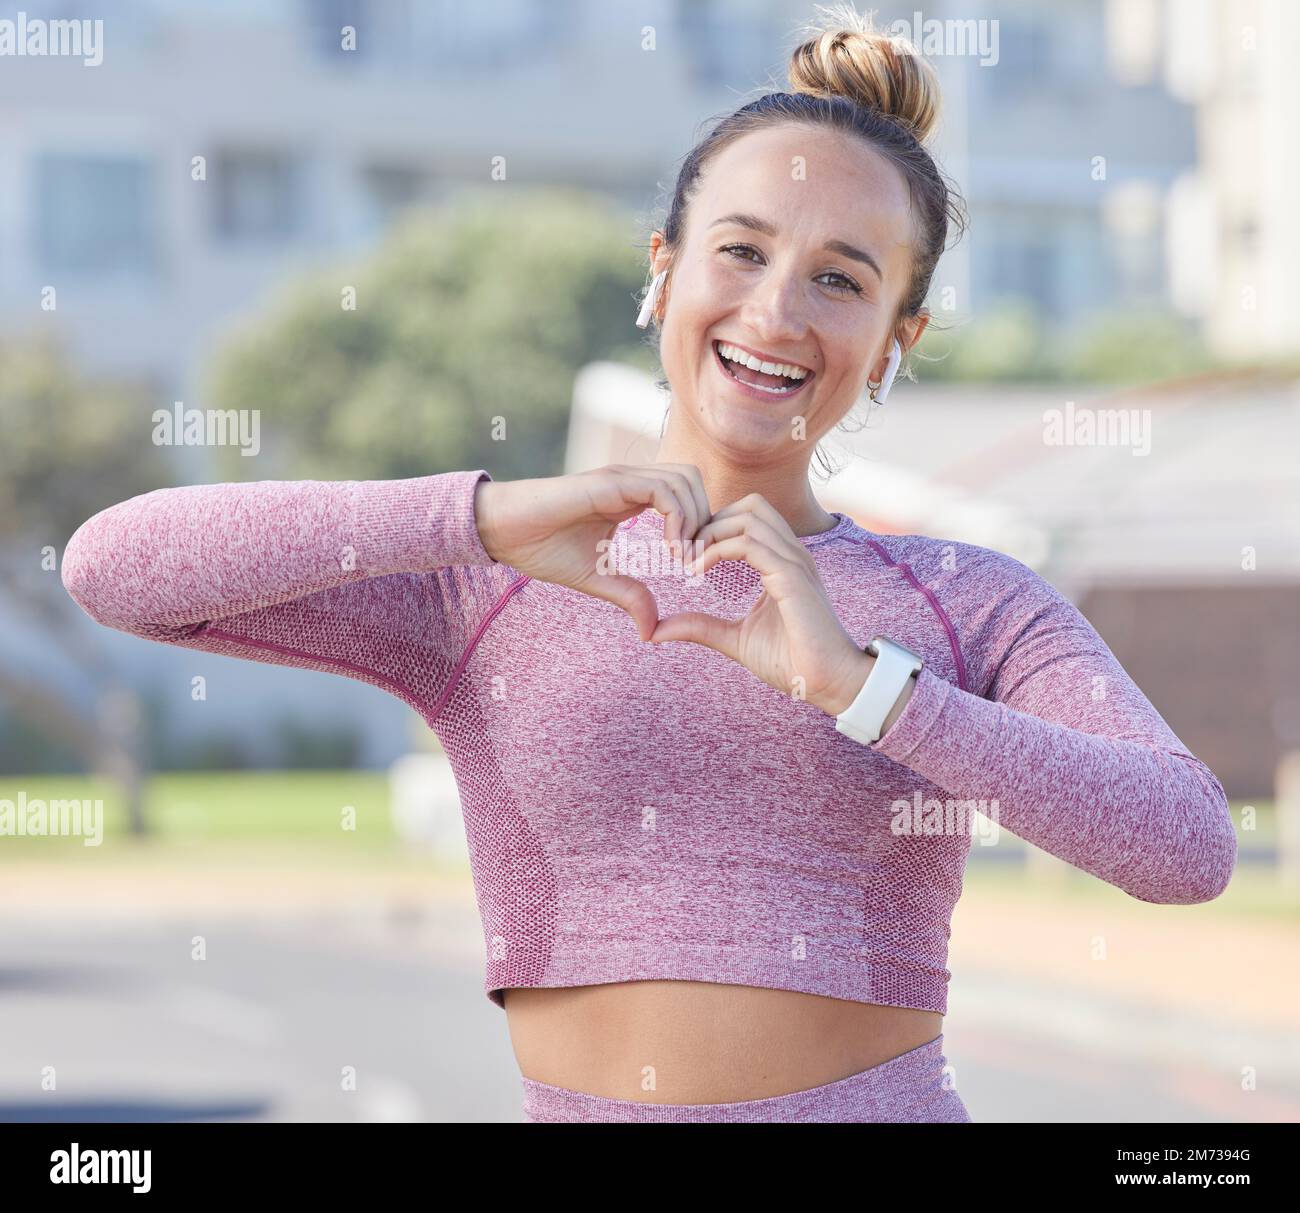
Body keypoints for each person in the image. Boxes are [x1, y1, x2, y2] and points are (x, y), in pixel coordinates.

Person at [61, 5, 1237, 1123]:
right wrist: (478, 514)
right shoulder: (489, 571)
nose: (776, 312)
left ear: (895, 340)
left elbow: (1184, 847)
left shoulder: (969, 603)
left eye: (840, 278)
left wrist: (861, 688)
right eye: (741, 251)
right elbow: (117, 569)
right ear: (663, 269)